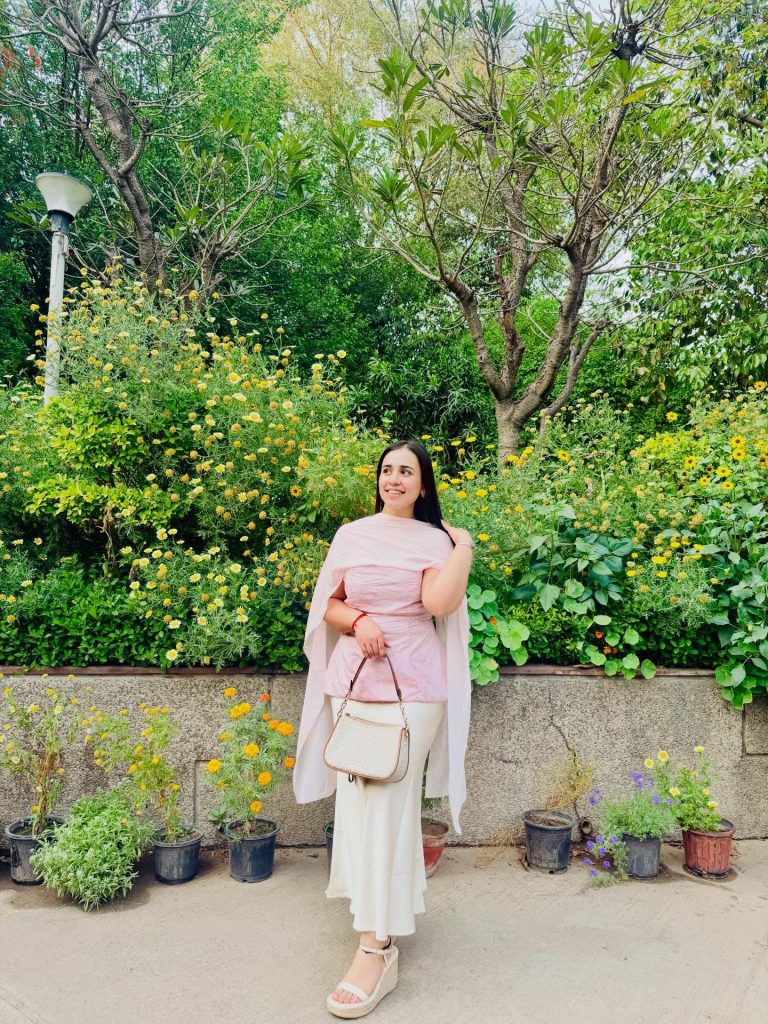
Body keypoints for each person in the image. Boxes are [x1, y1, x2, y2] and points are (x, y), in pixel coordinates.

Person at [293, 439, 473, 1018]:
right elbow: (330, 604)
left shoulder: (434, 539)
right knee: (358, 806)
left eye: (407, 471)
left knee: (390, 806)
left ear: (424, 485)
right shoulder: (352, 534)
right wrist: (361, 619)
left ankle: (376, 946)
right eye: (388, 470)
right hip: (353, 684)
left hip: (413, 687)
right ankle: (373, 923)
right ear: (379, 480)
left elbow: (439, 604)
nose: (395, 478)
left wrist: (462, 545)